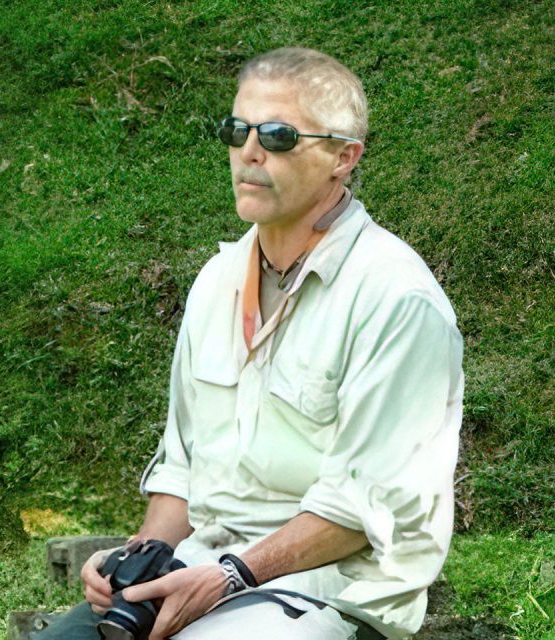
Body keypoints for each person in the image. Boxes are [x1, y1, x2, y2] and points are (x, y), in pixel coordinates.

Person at [38, 47, 464, 640]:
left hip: (330, 591)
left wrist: (233, 575)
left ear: (344, 157)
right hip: (201, 566)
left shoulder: (396, 300)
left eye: (279, 135)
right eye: (237, 130)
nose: (250, 151)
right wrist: (135, 563)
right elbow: (182, 471)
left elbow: (360, 512)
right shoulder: (217, 281)